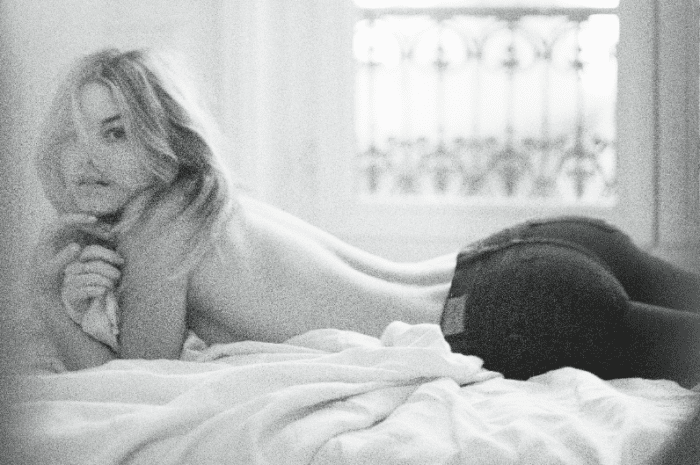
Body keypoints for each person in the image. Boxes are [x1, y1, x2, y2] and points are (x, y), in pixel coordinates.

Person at [29, 48, 700, 388]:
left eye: (114, 132)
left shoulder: (156, 231)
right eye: (73, 135)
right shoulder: (206, 197)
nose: (86, 159)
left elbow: (131, 386)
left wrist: (45, 296)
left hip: (501, 309)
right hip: (529, 253)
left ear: (162, 137)